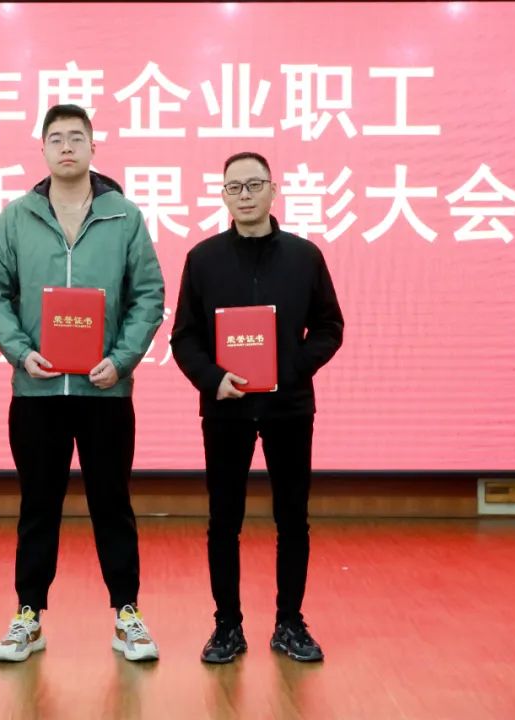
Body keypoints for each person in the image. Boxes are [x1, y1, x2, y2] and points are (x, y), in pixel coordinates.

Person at [0, 104, 165, 663]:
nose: (66, 146)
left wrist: (122, 360)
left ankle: (127, 614)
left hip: (105, 391)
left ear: (92, 147)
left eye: (76, 137)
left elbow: (148, 295)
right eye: (56, 138)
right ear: (42, 149)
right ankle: (28, 616)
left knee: (113, 504)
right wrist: (21, 352)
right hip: (37, 393)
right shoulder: (16, 217)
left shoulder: (124, 216)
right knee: (39, 505)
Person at [170, 151, 344, 664]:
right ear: (223, 196)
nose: (244, 195)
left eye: (253, 185)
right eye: (234, 187)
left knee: (293, 518)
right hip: (226, 409)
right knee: (224, 520)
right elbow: (184, 337)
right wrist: (212, 379)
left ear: (273, 190)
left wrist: (291, 368)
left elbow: (330, 327)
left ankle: (290, 622)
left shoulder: (304, 256)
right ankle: (227, 625)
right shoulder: (203, 259)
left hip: (290, 407)